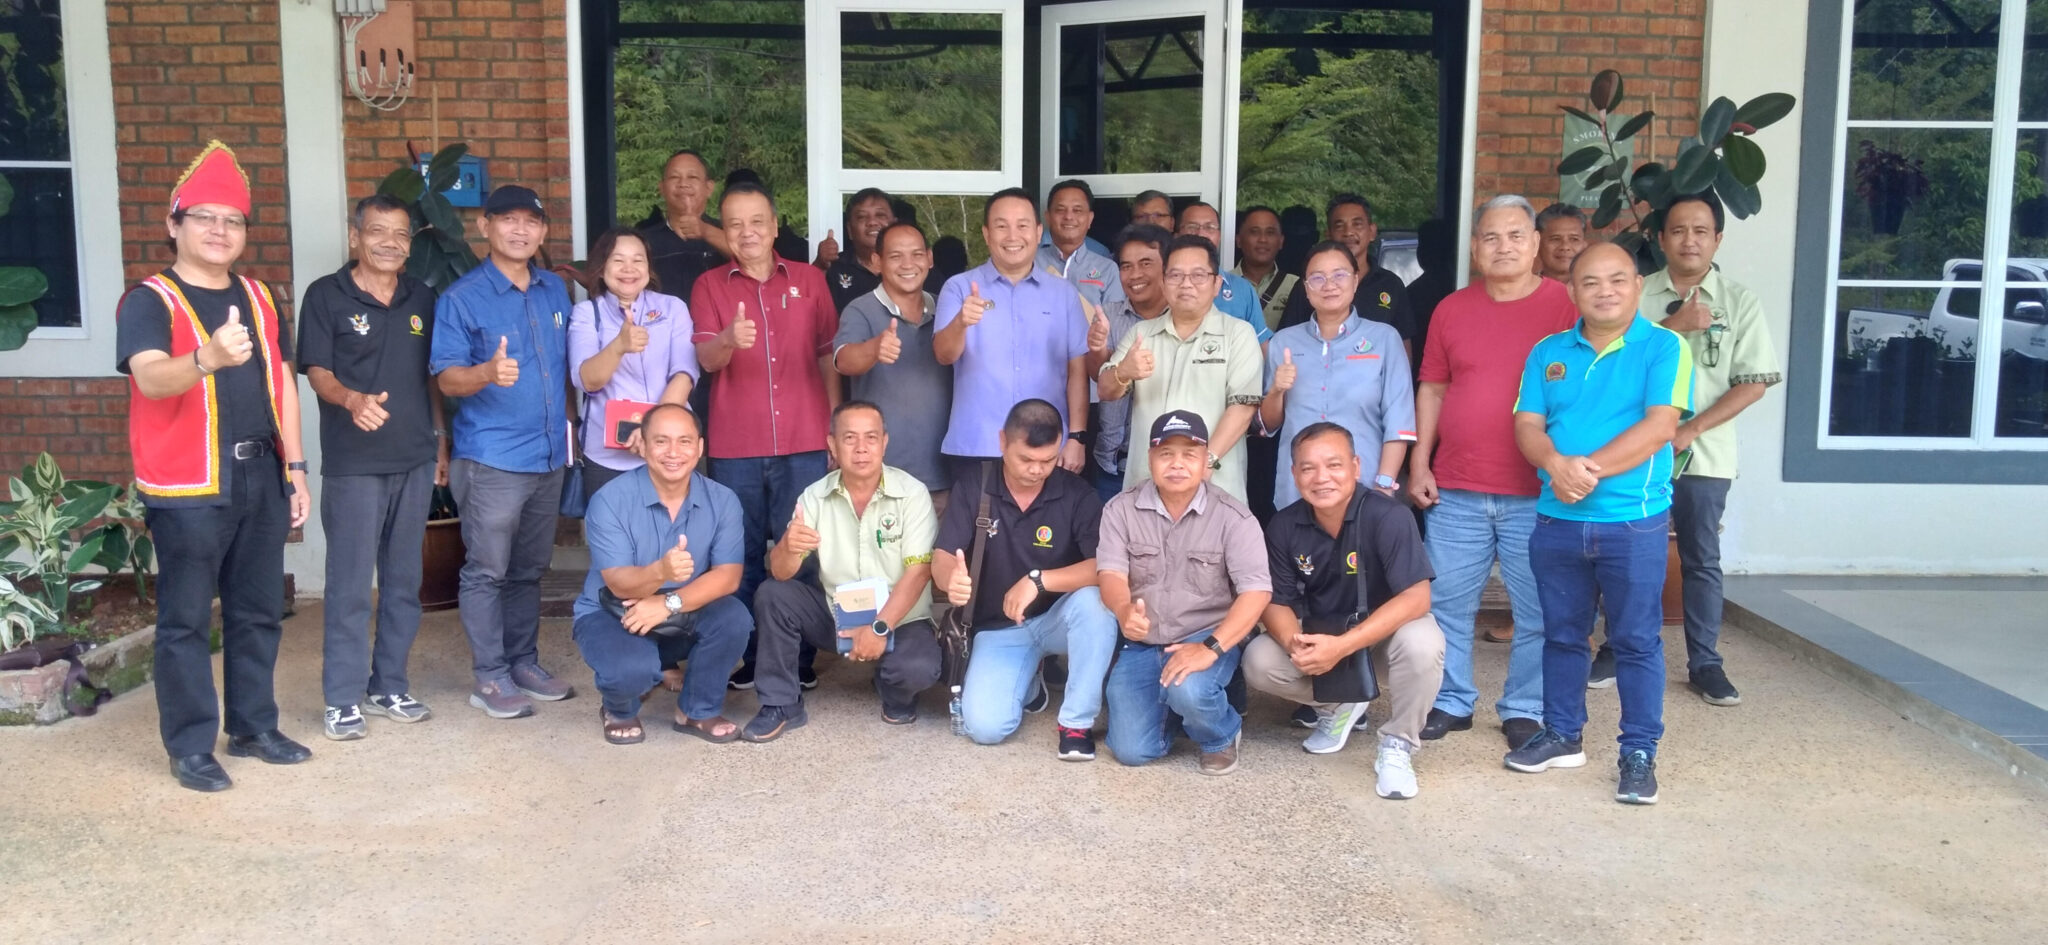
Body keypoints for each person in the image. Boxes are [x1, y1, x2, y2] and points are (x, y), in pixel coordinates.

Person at [116, 140, 313, 791]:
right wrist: (206, 358)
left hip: (260, 474)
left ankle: (253, 726)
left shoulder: (259, 296)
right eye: (204, 217)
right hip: (186, 485)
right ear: (174, 224)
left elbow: (282, 383)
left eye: (232, 220)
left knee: (258, 611)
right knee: (186, 621)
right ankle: (190, 745)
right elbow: (150, 379)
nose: (219, 230)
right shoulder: (149, 300)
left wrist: (296, 468)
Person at [1505, 241, 1694, 806]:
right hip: (1557, 521)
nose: (1604, 291)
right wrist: (1553, 463)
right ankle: (1562, 735)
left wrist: (1583, 471)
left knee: (1635, 641)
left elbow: (1661, 426)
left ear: (1637, 286)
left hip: (1631, 522)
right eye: (1590, 282)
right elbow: (1527, 424)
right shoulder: (1548, 352)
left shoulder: (1664, 346)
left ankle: (1638, 752)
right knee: (1562, 635)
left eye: (1617, 280)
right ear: (1572, 291)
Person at [1407, 195, 1578, 747]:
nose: (1503, 246)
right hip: (1457, 486)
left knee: (1539, 609)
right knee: (1446, 605)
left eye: (1515, 235)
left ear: (1535, 244)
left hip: (1539, 491)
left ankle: (1525, 706)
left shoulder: (1567, 308)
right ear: (1475, 248)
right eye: (1491, 237)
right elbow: (1433, 388)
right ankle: (1451, 700)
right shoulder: (1451, 309)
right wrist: (1419, 461)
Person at [1615, 191, 1780, 705]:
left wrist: (1692, 429)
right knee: (1624, 553)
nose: (1690, 240)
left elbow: (1753, 382)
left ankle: (1705, 663)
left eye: (1701, 231)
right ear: (1661, 239)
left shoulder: (1739, 301)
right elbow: (1612, 365)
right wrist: (1673, 327)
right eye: (1679, 230)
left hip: (1705, 453)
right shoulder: (1634, 294)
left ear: (1717, 240)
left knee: (1701, 557)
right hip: (1632, 451)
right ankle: (1615, 650)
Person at [298, 193, 449, 741]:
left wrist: (440, 442)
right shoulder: (326, 295)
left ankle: (389, 686)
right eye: (379, 231)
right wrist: (351, 399)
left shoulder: (422, 297)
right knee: (350, 586)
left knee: (405, 583)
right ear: (355, 236)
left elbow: (432, 378)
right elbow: (316, 370)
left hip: (414, 459)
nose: (390, 242)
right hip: (355, 464)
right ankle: (342, 698)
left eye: (401, 234)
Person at [430, 184, 578, 719]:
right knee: (487, 570)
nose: (520, 230)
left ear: (543, 232)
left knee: (529, 570)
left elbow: (565, 369)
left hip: (547, 456)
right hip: (492, 458)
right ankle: (490, 676)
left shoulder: (554, 290)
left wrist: (573, 432)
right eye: (508, 220)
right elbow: (446, 379)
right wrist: (487, 373)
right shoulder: (461, 298)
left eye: (530, 221)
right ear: (485, 227)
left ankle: (523, 663)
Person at [689, 180, 841, 689]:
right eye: (734, 224)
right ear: (724, 231)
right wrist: (729, 339)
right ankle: (753, 655)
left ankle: (798, 658)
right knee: (741, 553)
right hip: (736, 445)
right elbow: (707, 359)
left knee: (803, 551)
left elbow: (827, 355)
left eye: (757, 222)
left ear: (775, 227)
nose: (747, 232)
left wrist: (833, 426)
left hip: (805, 439)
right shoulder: (709, 285)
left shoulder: (810, 280)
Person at [1247, 423, 1444, 799]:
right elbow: (1276, 601)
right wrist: (1295, 644)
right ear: (1294, 474)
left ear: (1356, 466)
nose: (1321, 478)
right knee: (1259, 659)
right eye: (1308, 468)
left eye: (1334, 465)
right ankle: (1340, 705)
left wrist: (1343, 646)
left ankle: (1398, 744)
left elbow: (1417, 598)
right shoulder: (1284, 524)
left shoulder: (1389, 517)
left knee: (1423, 641)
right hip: (1322, 634)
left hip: (1382, 639)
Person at [746, 401, 944, 740]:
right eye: (849, 438)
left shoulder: (912, 494)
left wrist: (879, 627)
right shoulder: (814, 496)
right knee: (772, 594)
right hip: (836, 614)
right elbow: (780, 572)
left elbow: (919, 572)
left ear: (885, 443)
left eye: (871, 437)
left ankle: (893, 690)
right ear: (832, 445)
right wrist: (788, 548)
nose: (861, 448)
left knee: (917, 669)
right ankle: (781, 704)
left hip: (901, 618)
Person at [933, 399, 1119, 760]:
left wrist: (1038, 580)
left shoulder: (1076, 494)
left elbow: (1105, 567)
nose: (1036, 470)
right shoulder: (975, 485)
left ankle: (1076, 723)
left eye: (1047, 460)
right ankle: (1031, 681)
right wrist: (950, 578)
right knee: (985, 729)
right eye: (1026, 459)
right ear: (1002, 441)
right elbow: (943, 555)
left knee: (1097, 603)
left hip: (1059, 620)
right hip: (998, 628)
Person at [1097, 411, 1271, 774]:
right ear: (1150, 458)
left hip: (1207, 636)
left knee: (1190, 690)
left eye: (1189, 454)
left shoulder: (1234, 518)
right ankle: (1182, 709)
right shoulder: (1120, 509)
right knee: (1131, 751)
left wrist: (1209, 649)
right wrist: (1123, 609)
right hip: (1146, 642)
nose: (1177, 464)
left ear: (1206, 461)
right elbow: (1111, 573)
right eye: (1166, 454)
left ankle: (1219, 735)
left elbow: (1256, 593)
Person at [573, 404, 752, 745]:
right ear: (642, 445)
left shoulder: (723, 500)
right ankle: (618, 709)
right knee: (631, 671)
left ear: (700, 447)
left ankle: (696, 711)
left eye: (684, 441)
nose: (673, 452)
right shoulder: (610, 500)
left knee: (734, 618)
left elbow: (728, 576)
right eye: (661, 441)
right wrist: (661, 571)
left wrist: (668, 603)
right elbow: (618, 582)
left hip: (682, 609)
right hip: (614, 612)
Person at [934, 188, 1090, 476]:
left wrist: (1077, 437)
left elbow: (1077, 370)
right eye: (1001, 226)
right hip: (978, 443)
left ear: (1038, 232)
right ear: (986, 233)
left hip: (1046, 447)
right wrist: (960, 323)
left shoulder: (1064, 294)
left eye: (1022, 225)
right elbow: (944, 355)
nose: (1012, 236)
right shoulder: (959, 287)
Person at [1098, 235, 1264, 502]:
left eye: (1198, 275)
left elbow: (1243, 409)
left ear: (1216, 284)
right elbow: (1106, 391)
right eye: (1176, 275)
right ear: (1163, 283)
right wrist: (1123, 372)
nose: (1186, 284)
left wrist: (1207, 462)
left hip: (1215, 487)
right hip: (1146, 487)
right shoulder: (1142, 334)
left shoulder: (1238, 334)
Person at [1260, 241, 1415, 510]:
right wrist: (1277, 390)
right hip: (1297, 493)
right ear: (1306, 288)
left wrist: (1384, 485)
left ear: (1355, 282)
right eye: (1317, 278)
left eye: (1339, 275)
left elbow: (1399, 422)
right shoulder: (1283, 343)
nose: (1329, 285)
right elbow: (1268, 425)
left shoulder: (1384, 339)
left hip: (1366, 490)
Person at [569, 226, 699, 505]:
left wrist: (653, 431)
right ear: (601, 268)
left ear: (649, 268)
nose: (629, 268)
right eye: (618, 260)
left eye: (638, 260)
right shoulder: (586, 314)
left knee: (674, 529)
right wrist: (618, 346)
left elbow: (684, 373)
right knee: (610, 531)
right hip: (606, 456)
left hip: (670, 449)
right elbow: (588, 380)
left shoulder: (673, 308)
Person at [832, 221, 953, 510]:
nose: (908, 264)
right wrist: (874, 348)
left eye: (917, 254)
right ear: (877, 262)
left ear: (930, 258)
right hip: (882, 477)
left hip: (943, 475)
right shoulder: (861, 309)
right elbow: (844, 360)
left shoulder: (946, 308)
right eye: (896, 256)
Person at [1082, 224, 1172, 501]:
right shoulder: (1108, 314)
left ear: (1168, 267)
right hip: (1111, 459)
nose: (1134, 275)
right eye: (1126, 266)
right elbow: (1098, 377)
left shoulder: (1182, 319)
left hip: (1168, 463)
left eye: (1145, 264)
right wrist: (1097, 348)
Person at [1277, 195, 1416, 357]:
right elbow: (1288, 342)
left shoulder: (1391, 285)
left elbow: (1403, 348)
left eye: (1357, 224)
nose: (1348, 232)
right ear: (1328, 234)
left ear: (1372, 232)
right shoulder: (1311, 284)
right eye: (1339, 226)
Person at [638, 149, 729, 300]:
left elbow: (751, 259)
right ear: (662, 188)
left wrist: (705, 231)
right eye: (674, 177)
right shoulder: (643, 241)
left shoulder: (726, 233)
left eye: (692, 177)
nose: (683, 184)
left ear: (709, 188)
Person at [1176, 203, 1272, 344]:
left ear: (1219, 235)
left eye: (1209, 227)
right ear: (1177, 235)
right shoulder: (1166, 286)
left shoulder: (1242, 289)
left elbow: (1261, 346)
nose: (1201, 234)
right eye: (1192, 227)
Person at [1038, 179, 1122, 309]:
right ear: (1048, 217)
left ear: (1090, 219)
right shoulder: (1029, 263)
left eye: (1077, 210)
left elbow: (1115, 319)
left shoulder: (1107, 269)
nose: (1068, 216)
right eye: (1060, 210)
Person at [825, 188, 897, 313]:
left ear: (895, 225)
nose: (872, 222)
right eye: (862, 217)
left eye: (880, 215)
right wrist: (820, 266)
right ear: (850, 230)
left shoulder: (913, 267)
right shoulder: (834, 268)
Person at [1232, 205, 1297, 334]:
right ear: (1239, 240)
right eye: (1254, 232)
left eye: (1270, 232)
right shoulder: (1222, 284)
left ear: (1281, 241)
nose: (1262, 239)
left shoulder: (1296, 286)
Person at [1535, 202, 1589, 283]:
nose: (1565, 246)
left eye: (1574, 239)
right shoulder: (1524, 289)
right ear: (1537, 244)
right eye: (1556, 239)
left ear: (1584, 245)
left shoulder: (1597, 289)